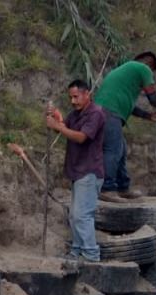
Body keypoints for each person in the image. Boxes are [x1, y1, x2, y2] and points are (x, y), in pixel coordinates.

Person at [45, 79, 105, 262]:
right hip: (78, 170)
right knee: (74, 215)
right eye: (71, 97)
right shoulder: (76, 114)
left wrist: (58, 127)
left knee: (81, 215)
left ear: (87, 94)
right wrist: (57, 119)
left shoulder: (96, 114)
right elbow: (64, 128)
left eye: (76, 97)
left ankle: (91, 254)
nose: (73, 101)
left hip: (89, 170)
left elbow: (80, 137)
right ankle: (77, 250)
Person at [93, 51, 156, 201]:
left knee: (121, 149)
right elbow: (152, 96)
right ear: (149, 64)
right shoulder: (142, 68)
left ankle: (122, 187)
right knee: (113, 150)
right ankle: (107, 188)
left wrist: (148, 116)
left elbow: (129, 106)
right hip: (109, 112)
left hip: (102, 111)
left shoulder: (124, 73)